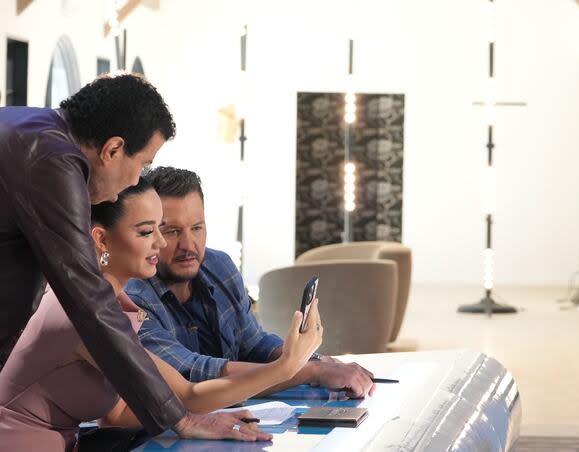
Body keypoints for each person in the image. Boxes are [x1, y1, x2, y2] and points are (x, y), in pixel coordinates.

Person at [0, 72, 254, 441]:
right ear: (113, 150)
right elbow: (89, 302)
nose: (137, 179)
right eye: (143, 163)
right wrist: (180, 420)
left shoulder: (33, 128)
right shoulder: (53, 162)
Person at [0, 178, 320, 450]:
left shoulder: (103, 301)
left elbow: (126, 409)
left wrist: (193, 420)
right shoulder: (85, 312)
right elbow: (186, 393)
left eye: (158, 229)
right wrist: (286, 367)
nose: (160, 242)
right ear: (101, 239)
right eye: (145, 231)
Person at [126, 167, 376, 398]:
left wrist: (317, 361)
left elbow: (254, 343)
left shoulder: (219, 265)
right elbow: (192, 373)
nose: (188, 245)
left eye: (197, 228)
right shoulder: (132, 295)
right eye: (171, 231)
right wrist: (311, 372)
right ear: (151, 232)